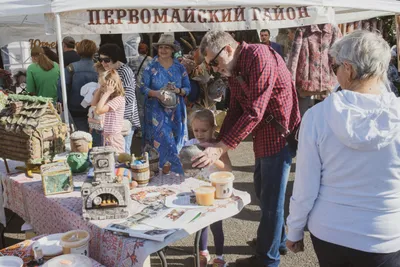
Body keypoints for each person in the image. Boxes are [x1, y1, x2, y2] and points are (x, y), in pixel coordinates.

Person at [286, 31, 400, 267]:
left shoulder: (317, 117)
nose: (334, 73)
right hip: (383, 236)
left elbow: (306, 185)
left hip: (330, 232)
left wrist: (294, 230)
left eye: (335, 67)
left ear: (348, 69)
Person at [193, 31, 300, 267]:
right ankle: (276, 241)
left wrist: (221, 146)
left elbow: (255, 111)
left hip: (278, 136)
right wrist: (219, 140)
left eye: (214, 62)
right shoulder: (234, 68)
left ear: (228, 49)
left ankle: (267, 259)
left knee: (271, 201)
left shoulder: (259, 55)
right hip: (264, 136)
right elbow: (235, 110)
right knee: (264, 193)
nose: (214, 68)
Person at [186, 109, 232, 267]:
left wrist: (212, 157)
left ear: (213, 128)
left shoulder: (218, 147)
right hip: (198, 190)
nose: (199, 134)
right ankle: (203, 252)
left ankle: (219, 256)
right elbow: (185, 166)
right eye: (195, 130)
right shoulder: (191, 144)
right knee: (201, 224)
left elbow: (228, 169)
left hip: (216, 192)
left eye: (203, 130)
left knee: (216, 225)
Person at [140, 34, 191, 174]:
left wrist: (178, 90)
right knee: (163, 142)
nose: (163, 50)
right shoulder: (150, 67)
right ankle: (165, 173)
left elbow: (188, 88)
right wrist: (156, 93)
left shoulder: (179, 67)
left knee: (176, 141)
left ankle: (175, 177)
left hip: (177, 111)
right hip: (156, 111)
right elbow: (142, 87)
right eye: (160, 47)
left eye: (166, 48)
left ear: (172, 50)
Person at [98, 43, 140, 153]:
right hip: (113, 121)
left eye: (106, 60)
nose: (103, 63)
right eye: (100, 59)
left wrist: (109, 101)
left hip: (123, 119)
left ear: (115, 58)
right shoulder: (110, 71)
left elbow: (129, 97)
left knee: (122, 154)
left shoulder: (124, 71)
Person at [58, 39, 98, 133]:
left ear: (78, 50)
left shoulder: (71, 68)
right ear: (94, 51)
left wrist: (64, 103)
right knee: (96, 138)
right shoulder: (100, 67)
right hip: (96, 108)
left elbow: (61, 86)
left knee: (80, 138)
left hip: (75, 109)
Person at [91, 69, 125, 153]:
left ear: (112, 85)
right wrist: (100, 90)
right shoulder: (108, 98)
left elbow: (98, 111)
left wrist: (107, 93)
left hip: (114, 138)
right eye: (101, 85)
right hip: (106, 136)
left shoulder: (118, 99)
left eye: (103, 86)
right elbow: (93, 105)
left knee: (115, 162)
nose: (102, 88)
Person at [128, 43, 153, 128]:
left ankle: (141, 129)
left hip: (138, 87)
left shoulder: (132, 60)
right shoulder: (152, 60)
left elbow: (129, 73)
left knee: (140, 108)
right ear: (147, 50)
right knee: (150, 107)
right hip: (151, 87)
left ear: (138, 50)